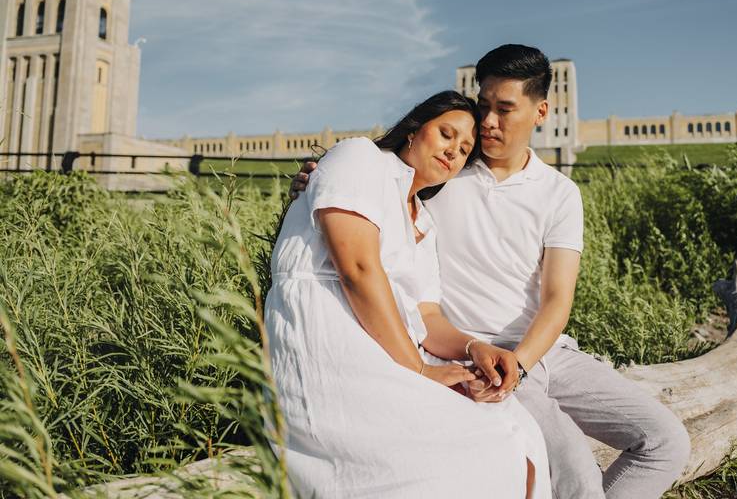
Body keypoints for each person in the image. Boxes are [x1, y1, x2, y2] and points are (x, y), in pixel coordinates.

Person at [292, 45, 690, 499]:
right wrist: (317, 181)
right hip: (476, 353)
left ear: (540, 111)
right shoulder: (444, 173)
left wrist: (522, 362)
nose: (487, 123)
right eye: (483, 107)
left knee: (665, 441)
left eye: (504, 109)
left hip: (543, 352)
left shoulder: (560, 194)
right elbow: (378, 195)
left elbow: (558, 300)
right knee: (575, 471)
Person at [267, 90, 548, 499]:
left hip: (391, 345)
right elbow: (358, 271)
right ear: (414, 131)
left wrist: (474, 347)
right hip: (328, 339)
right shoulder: (359, 158)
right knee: (461, 458)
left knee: (515, 434)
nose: (454, 151)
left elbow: (428, 318)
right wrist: (417, 371)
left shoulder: (426, 223)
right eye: (446, 134)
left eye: (465, 149)